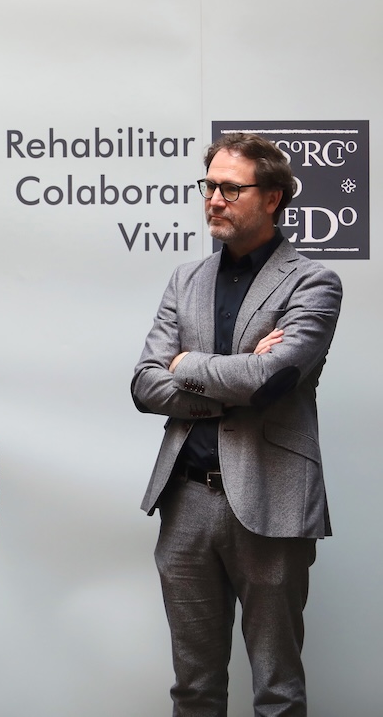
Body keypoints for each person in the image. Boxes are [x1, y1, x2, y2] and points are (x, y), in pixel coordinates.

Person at [131, 132, 342, 716]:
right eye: (209, 187)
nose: (214, 199)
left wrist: (186, 365)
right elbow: (145, 384)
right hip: (185, 502)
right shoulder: (186, 279)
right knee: (194, 690)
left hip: (272, 499)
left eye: (230, 188)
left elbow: (273, 379)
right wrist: (235, 377)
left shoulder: (312, 282)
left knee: (278, 692)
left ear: (272, 198)